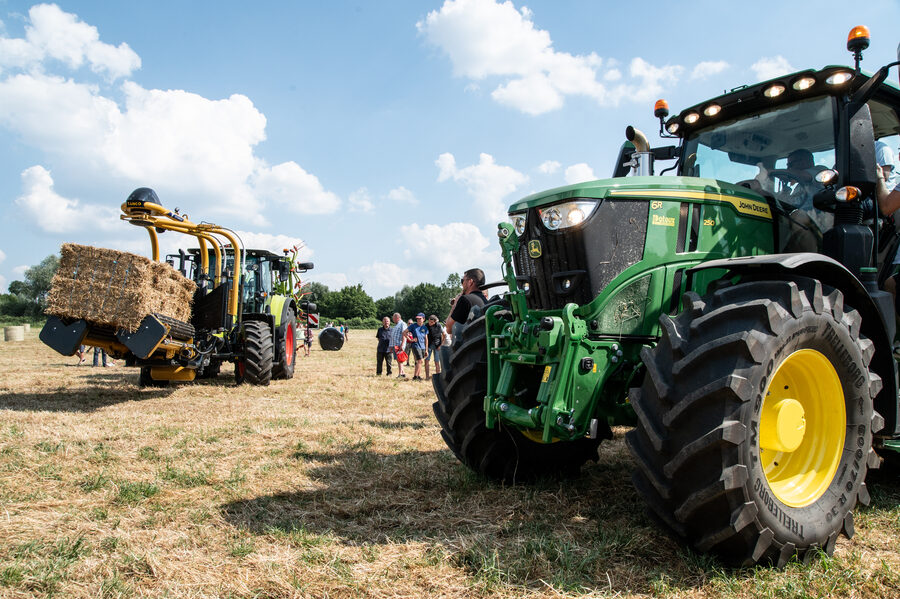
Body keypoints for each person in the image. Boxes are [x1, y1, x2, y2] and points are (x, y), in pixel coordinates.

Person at [446, 268, 487, 335]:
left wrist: (455, 304)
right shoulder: (485, 300)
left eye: (463, 280)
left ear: (470, 282)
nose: (462, 284)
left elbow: (449, 329)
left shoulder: (465, 300)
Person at [406, 313, 429, 380]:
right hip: (416, 345)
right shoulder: (413, 326)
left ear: (423, 319)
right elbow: (404, 332)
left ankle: (417, 376)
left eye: (420, 318)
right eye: (417, 318)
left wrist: (426, 350)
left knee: (420, 361)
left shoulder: (425, 328)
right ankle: (415, 377)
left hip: (423, 347)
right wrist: (410, 339)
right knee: (420, 360)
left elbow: (426, 339)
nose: (418, 320)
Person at [424, 314, 445, 380]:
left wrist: (441, 345)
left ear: (435, 321)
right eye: (429, 321)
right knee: (426, 361)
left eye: (431, 322)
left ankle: (438, 377)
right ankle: (427, 377)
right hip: (428, 346)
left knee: (437, 362)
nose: (430, 323)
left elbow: (444, 335)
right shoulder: (426, 325)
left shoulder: (439, 325)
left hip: (437, 346)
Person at [389, 312, 407, 378]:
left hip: (399, 345)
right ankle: (402, 373)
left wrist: (402, 345)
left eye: (393, 318)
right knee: (398, 360)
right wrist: (391, 346)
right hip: (395, 345)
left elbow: (404, 334)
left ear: (397, 318)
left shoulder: (402, 324)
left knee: (399, 359)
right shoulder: (396, 325)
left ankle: (400, 374)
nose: (393, 319)